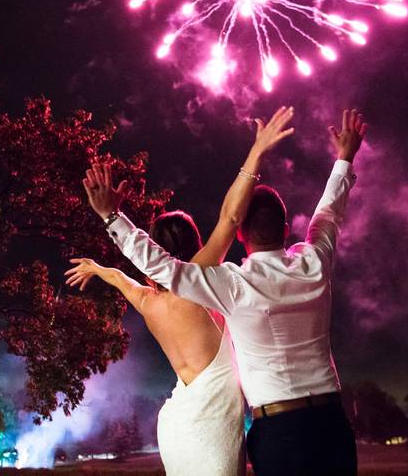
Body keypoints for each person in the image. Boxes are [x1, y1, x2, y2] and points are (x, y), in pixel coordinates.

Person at [83, 108, 367, 476]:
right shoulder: (314, 262)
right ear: (285, 228)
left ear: (241, 235)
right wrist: (345, 157)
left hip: (279, 431)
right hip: (332, 425)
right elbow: (329, 213)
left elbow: (161, 267)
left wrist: (111, 217)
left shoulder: (232, 284)